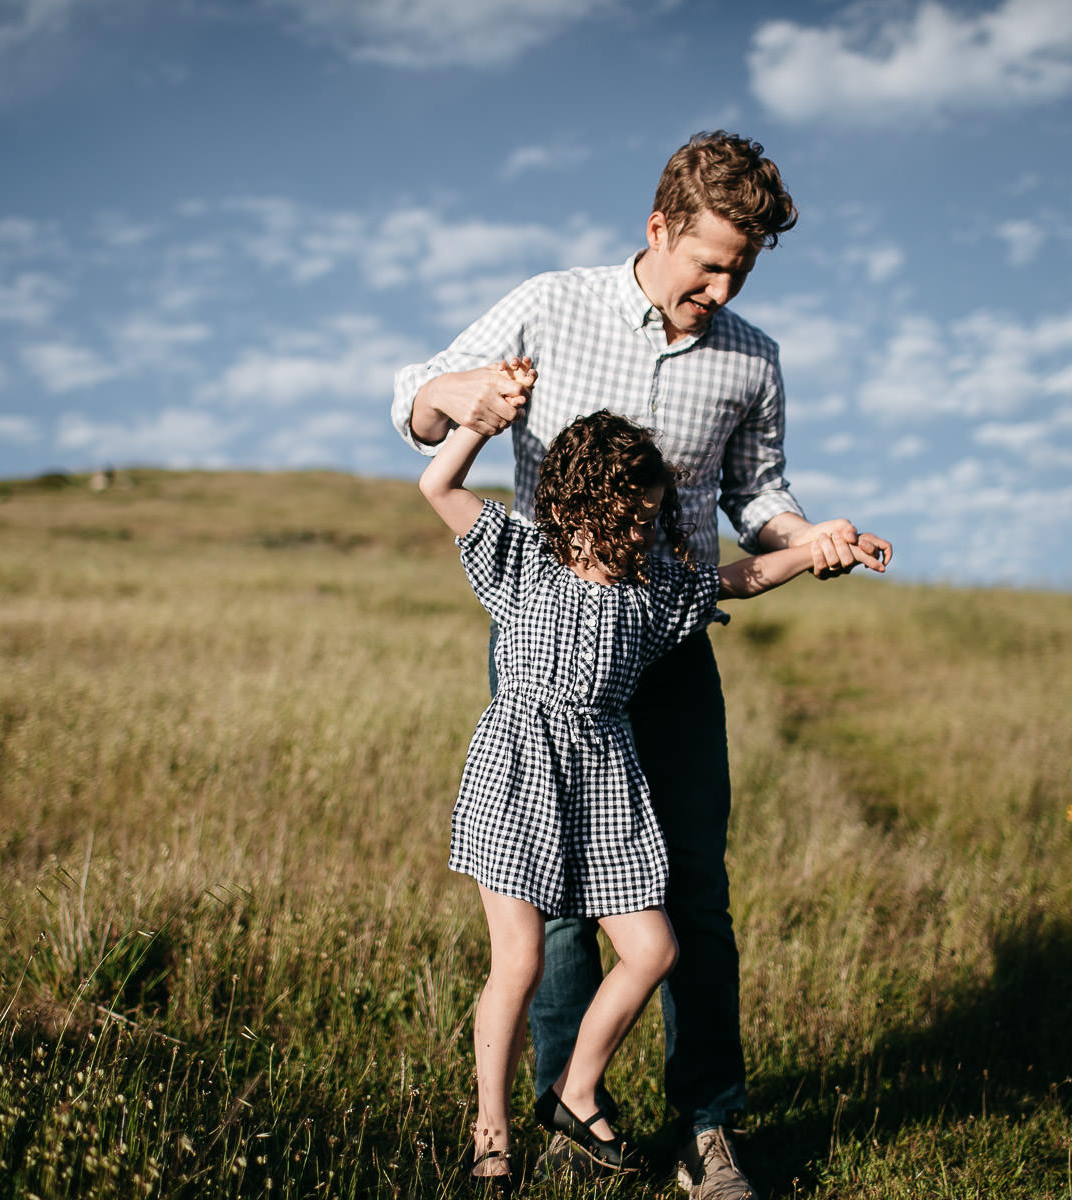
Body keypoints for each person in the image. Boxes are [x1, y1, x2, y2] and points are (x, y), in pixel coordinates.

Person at [392, 131, 891, 1198]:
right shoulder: (551, 303)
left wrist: (811, 542)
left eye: (740, 271)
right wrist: (467, 396)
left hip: (667, 640)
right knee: (553, 907)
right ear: (658, 227)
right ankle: (568, 1101)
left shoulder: (751, 358)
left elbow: (757, 500)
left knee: (690, 898)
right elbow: (417, 401)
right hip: (543, 649)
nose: (720, 287)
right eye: (707, 262)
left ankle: (710, 1127)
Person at [421, 394, 845, 1183]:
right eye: (635, 518)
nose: (648, 532)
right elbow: (437, 489)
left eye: (652, 518)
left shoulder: (651, 596)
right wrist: (477, 424)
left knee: (653, 949)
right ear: (580, 507)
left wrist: (817, 547)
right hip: (519, 775)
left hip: (606, 789)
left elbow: (740, 579)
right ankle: (491, 1136)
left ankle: (575, 1094)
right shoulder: (520, 559)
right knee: (518, 963)